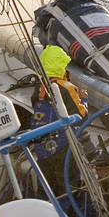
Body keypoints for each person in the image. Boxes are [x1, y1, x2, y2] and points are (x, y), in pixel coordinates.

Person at [29, 45, 89, 183]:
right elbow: (82, 117)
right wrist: (84, 99)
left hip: (42, 148)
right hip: (63, 147)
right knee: (69, 184)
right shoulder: (67, 88)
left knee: (49, 187)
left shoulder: (38, 89)